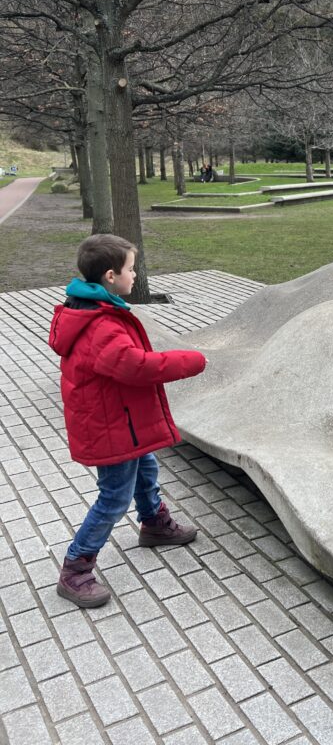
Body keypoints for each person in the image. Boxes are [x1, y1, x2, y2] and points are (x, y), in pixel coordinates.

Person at [48, 234, 207, 607]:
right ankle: (75, 568)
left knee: (147, 467)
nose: (134, 275)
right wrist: (189, 361)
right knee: (114, 496)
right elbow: (133, 366)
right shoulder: (100, 324)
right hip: (110, 427)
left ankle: (153, 523)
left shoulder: (95, 307)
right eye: (130, 269)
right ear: (109, 276)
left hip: (120, 421)